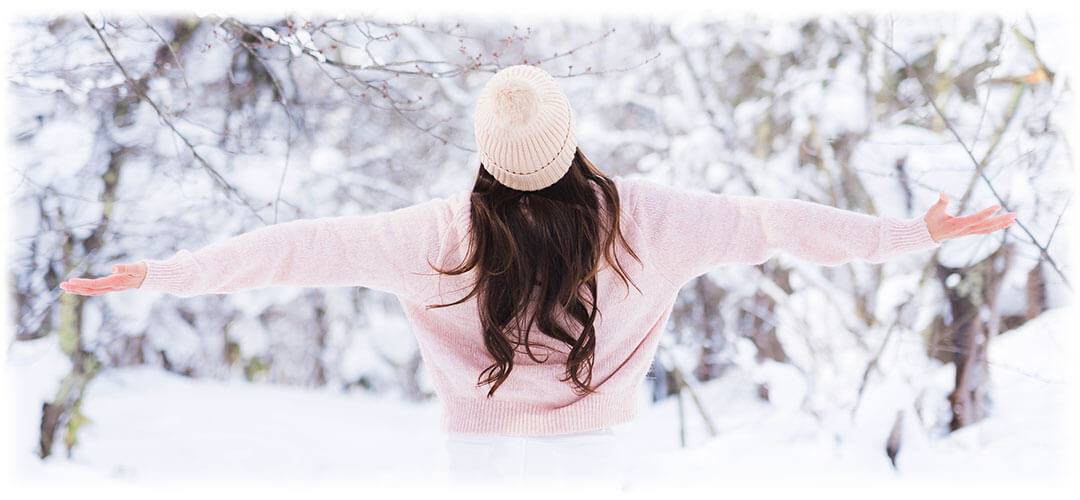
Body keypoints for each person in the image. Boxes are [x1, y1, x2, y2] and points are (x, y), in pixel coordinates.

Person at [60, 64, 1017, 486]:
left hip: (475, 459)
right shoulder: (647, 220)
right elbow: (776, 226)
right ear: (570, 142)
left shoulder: (433, 234)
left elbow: (299, 247)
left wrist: (164, 274)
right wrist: (906, 232)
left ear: (485, 156)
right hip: (597, 461)